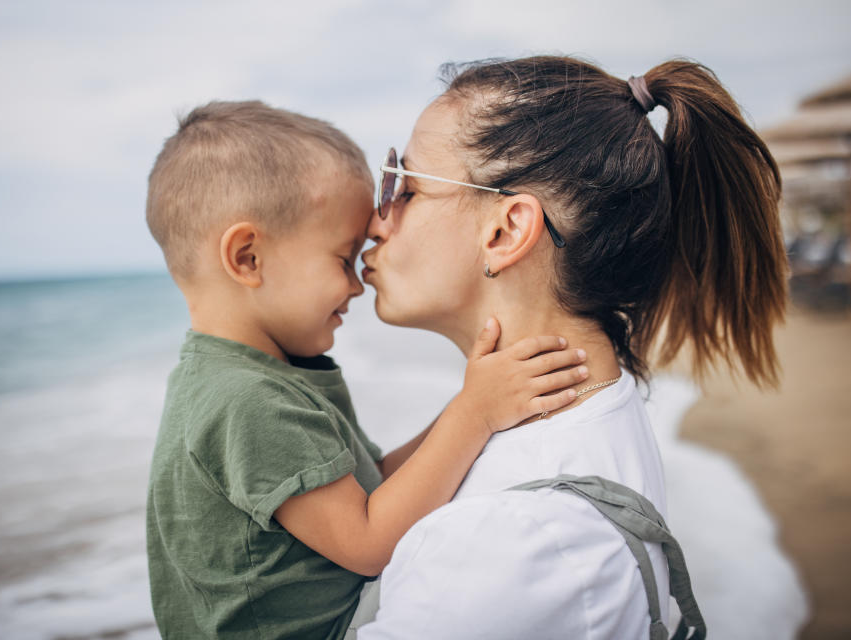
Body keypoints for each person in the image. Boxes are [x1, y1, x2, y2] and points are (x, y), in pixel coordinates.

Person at [355, 56, 786, 639]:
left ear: (506, 231)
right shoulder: (588, 406)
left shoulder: (510, 541)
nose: (375, 222)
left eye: (403, 187)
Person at [143, 100, 589, 639]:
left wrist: (473, 403)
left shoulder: (258, 376)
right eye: (343, 258)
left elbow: (371, 484)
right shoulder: (246, 400)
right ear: (247, 258)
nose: (357, 285)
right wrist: (474, 414)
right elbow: (369, 543)